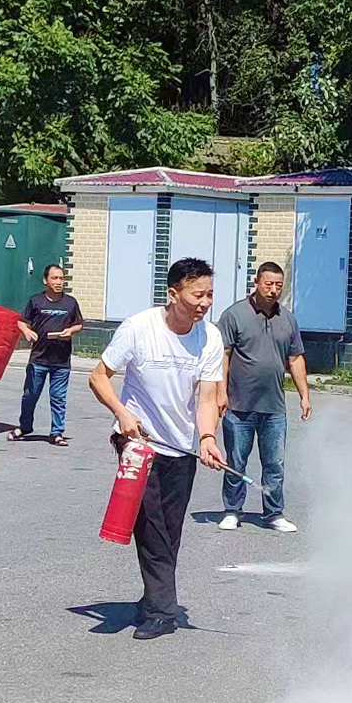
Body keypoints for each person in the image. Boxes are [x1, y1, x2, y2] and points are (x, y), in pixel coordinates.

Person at [89, 257, 228, 642]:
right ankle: (164, 611)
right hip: (138, 443)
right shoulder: (138, 328)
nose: (204, 303)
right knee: (148, 524)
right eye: (197, 294)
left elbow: (207, 397)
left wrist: (206, 439)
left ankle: (153, 598)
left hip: (181, 445)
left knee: (170, 528)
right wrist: (122, 413)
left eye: (210, 295)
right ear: (174, 293)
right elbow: (98, 377)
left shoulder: (210, 337)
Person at [214, 261, 311, 533]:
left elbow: (295, 358)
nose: (273, 290)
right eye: (268, 284)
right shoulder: (234, 315)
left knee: (274, 463)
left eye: (278, 285)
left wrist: (304, 395)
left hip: (274, 407)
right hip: (239, 405)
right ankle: (233, 510)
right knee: (236, 461)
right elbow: (223, 355)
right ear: (256, 282)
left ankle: (273, 513)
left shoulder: (288, 318)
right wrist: (221, 392)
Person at [9, 264, 84, 446]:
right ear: (45, 281)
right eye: (54, 278)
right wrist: (27, 332)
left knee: (58, 397)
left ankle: (57, 432)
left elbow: (79, 324)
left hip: (61, 361)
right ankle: (25, 427)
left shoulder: (70, 303)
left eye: (61, 278)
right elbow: (21, 322)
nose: (59, 282)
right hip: (39, 359)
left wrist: (70, 331)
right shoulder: (36, 301)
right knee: (30, 395)